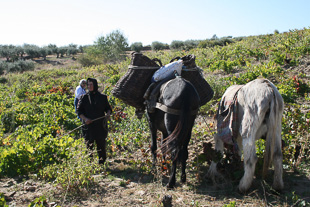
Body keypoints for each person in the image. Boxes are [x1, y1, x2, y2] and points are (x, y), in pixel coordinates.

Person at [76, 78, 112, 164]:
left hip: (100, 126)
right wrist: (85, 119)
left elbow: (108, 108)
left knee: (101, 145)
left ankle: (102, 164)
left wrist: (108, 113)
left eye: (91, 84)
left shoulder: (103, 97)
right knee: (89, 146)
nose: (89, 86)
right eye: (88, 85)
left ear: (95, 85)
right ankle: (90, 165)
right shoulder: (84, 98)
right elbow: (79, 111)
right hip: (89, 126)